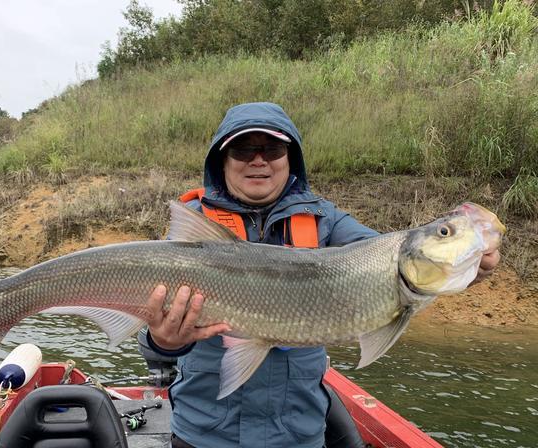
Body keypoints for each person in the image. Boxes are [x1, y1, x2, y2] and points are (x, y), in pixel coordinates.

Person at [144, 102, 500, 447]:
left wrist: (468, 269)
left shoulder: (327, 221)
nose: (258, 159)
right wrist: (164, 342)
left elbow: (381, 256)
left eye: (272, 149)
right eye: (242, 149)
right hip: (205, 433)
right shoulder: (195, 226)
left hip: (298, 432)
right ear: (222, 160)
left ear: (290, 158)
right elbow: (150, 338)